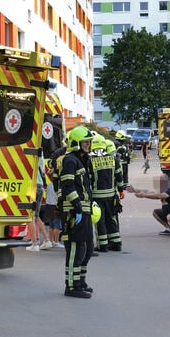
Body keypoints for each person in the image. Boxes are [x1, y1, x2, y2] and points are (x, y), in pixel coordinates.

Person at [59, 126, 96, 298]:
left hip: (85, 210)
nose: (88, 144)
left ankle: (80, 281)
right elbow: (68, 185)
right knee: (76, 247)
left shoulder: (83, 160)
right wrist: (76, 204)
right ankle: (71, 286)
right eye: (85, 142)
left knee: (87, 248)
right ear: (76, 143)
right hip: (73, 211)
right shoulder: (70, 160)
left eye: (89, 142)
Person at [90, 135, 124, 252]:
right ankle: (116, 243)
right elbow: (119, 176)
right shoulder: (113, 159)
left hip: (97, 196)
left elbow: (88, 179)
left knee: (100, 220)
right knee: (112, 219)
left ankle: (102, 245)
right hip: (111, 195)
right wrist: (121, 190)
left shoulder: (91, 160)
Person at [26, 153, 53, 251]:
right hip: (40, 186)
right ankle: (46, 241)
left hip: (32, 186)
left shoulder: (33, 154)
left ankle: (34, 244)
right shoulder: (41, 155)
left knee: (30, 216)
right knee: (36, 216)